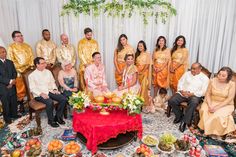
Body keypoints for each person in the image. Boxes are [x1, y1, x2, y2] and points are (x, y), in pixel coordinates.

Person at [168, 63, 209, 132]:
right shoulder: (187, 74)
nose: (192, 70)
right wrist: (181, 91)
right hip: (183, 93)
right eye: (191, 68)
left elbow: (204, 91)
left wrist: (192, 94)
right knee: (172, 100)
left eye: (194, 69)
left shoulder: (205, 78)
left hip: (195, 95)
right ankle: (179, 116)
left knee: (193, 102)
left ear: (200, 69)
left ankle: (185, 121)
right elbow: (180, 82)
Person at [28, 57, 67, 128]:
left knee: (63, 99)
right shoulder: (32, 75)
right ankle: (51, 120)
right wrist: (41, 94)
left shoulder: (48, 72)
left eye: (45, 63)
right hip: (39, 94)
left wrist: (55, 89)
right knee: (49, 102)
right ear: (37, 65)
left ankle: (58, 117)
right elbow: (32, 88)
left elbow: (52, 82)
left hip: (49, 91)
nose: (45, 64)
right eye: (42, 63)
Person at [198, 67, 235, 137]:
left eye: (223, 76)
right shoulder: (212, 80)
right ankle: (205, 129)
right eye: (219, 74)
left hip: (225, 104)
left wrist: (216, 107)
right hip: (211, 101)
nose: (220, 77)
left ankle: (213, 133)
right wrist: (209, 105)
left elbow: (229, 99)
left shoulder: (232, 84)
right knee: (204, 110)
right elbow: (208, 93)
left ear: (228, 77)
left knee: (217, 115)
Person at [8, 31, 34, 113]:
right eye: (18, 36)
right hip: (18, 71)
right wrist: (21, 69)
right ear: (14, 38)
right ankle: (21, 105)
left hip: (28, 70)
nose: (21, 37)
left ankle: (32, 103)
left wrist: (30, 67)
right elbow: (12, 60)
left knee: (30, 87)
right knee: (20, 89)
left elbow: (31, 57)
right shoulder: (11, 47)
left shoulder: (27, 46)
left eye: (21, 35)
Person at [0, 46, 18, 124]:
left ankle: (14, 114)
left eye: (5, 51)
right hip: (3, 87)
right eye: (2, 52)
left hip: (12, 85)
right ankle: (7, 119)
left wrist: (13, 81)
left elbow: (15, 72)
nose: (4, 53)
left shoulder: (10, 62)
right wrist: (9, 81)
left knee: (13, 101)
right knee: (6, 103)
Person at [135, 40, 153, 112]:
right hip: (138, 73)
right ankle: (138, 104)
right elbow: (135, 64)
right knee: (138, 89)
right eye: (139, 46)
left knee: (144, 89)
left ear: (144, 46)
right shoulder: (137, 54)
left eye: (141, 46)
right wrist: (137, 72)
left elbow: (147, 65)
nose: (140, 47)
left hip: (144, 73)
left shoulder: (147, 54)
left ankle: (144, 105)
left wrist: (141, 72)